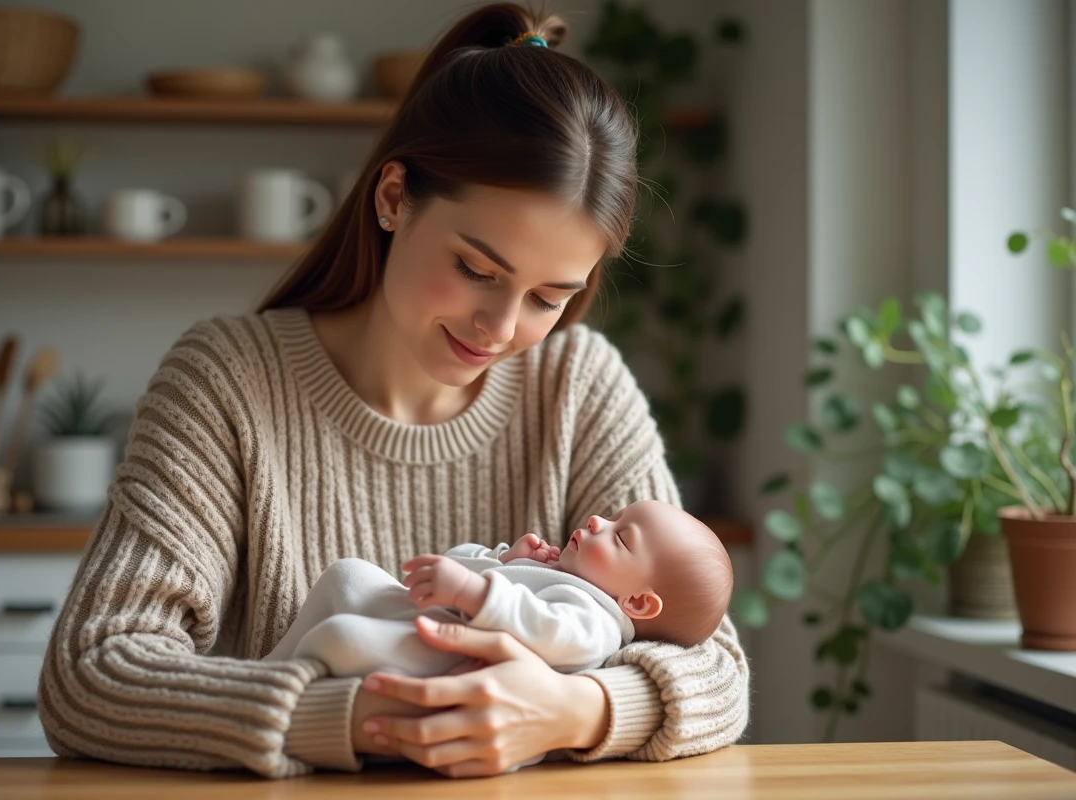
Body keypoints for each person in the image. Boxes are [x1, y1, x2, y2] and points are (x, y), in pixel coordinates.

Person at [37, 2, 749, 780]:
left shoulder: (578, 384)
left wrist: (571, 711)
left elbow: (714, 667)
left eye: (550, 297)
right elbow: (91, 673)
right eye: (476, 269)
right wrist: (363, 719)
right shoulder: (225, 380)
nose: (500, 327)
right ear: (392, 198)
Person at [266, 500, 734, 679]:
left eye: (620, 537)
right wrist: (503, 560)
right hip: (423, 623)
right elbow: (454, 565)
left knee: (341, 639)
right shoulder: (557, 574)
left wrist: (474, 593)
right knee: (347, 574)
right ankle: (268, 670)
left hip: (444, 663)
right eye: (613, 516)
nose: (597, 521)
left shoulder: (595, 623)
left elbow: (546, 631)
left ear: (637, 602)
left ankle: (288, 690)